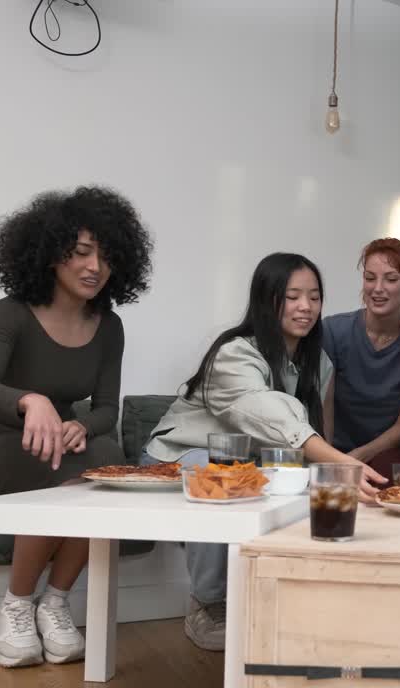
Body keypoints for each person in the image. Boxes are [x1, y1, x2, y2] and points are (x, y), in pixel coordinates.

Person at [0, 186, 154, 668]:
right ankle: (16, 605)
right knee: (58, 466)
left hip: (55, 442)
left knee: (108, 465)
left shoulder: (109, 326)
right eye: (81, 252)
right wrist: (29, 401)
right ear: (51, 253)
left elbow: (107, 409)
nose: (95, 267)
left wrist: (82, 425)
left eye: (106, 256)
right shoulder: (11, 312)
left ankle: (54, 601)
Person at [142, 252, 386, 652]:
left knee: (306, 488)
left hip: (251, 465)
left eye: (314, 297)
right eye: (292, 296)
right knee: (221, 475)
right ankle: (207, 603)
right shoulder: (234, 353)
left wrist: (329, 477)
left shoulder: (318, 362)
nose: (306, 307)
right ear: (266, 299)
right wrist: (342, 465)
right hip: (179, 457)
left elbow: (316, 435)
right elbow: (269, 414)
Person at [321, 238, 400, 478]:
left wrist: (358, 456)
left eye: (391, 279)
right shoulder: (333, 331)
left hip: (390, 454)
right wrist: (330, 461)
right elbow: (324, 410)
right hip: (336, 452)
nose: (378, 288)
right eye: (370, 278)